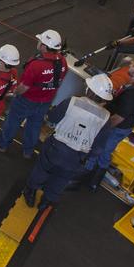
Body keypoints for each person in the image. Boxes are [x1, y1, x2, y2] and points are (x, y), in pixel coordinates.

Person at [23, 72, 114, 209]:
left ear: (89, 90)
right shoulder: (106, 118)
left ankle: (31, 192)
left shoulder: (72, 101)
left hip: (56, 147)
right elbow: (98, 146)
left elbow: (52, 118)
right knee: (61, 179)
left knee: (42, 169)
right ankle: (46, 201)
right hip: (77, 156)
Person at [82, 57, 134, 190]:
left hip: (118, 127)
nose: (130, 68)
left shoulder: (133, 94)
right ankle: (90, 176)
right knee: (101, 149)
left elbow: (119, 117)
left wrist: (101, 128)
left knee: (102, 150)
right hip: (123, 123)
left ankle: (91, 180)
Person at [0, 29, 65, 158]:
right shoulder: (62, 62)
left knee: (13, 121)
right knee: (34, 126)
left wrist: (14, 93)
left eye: (40, 40)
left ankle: (3, 144)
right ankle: (28, 151)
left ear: (44, 46)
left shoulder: (36, 65)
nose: (38, 42)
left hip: (27, 100)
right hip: (46, 101)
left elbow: (23, 87)